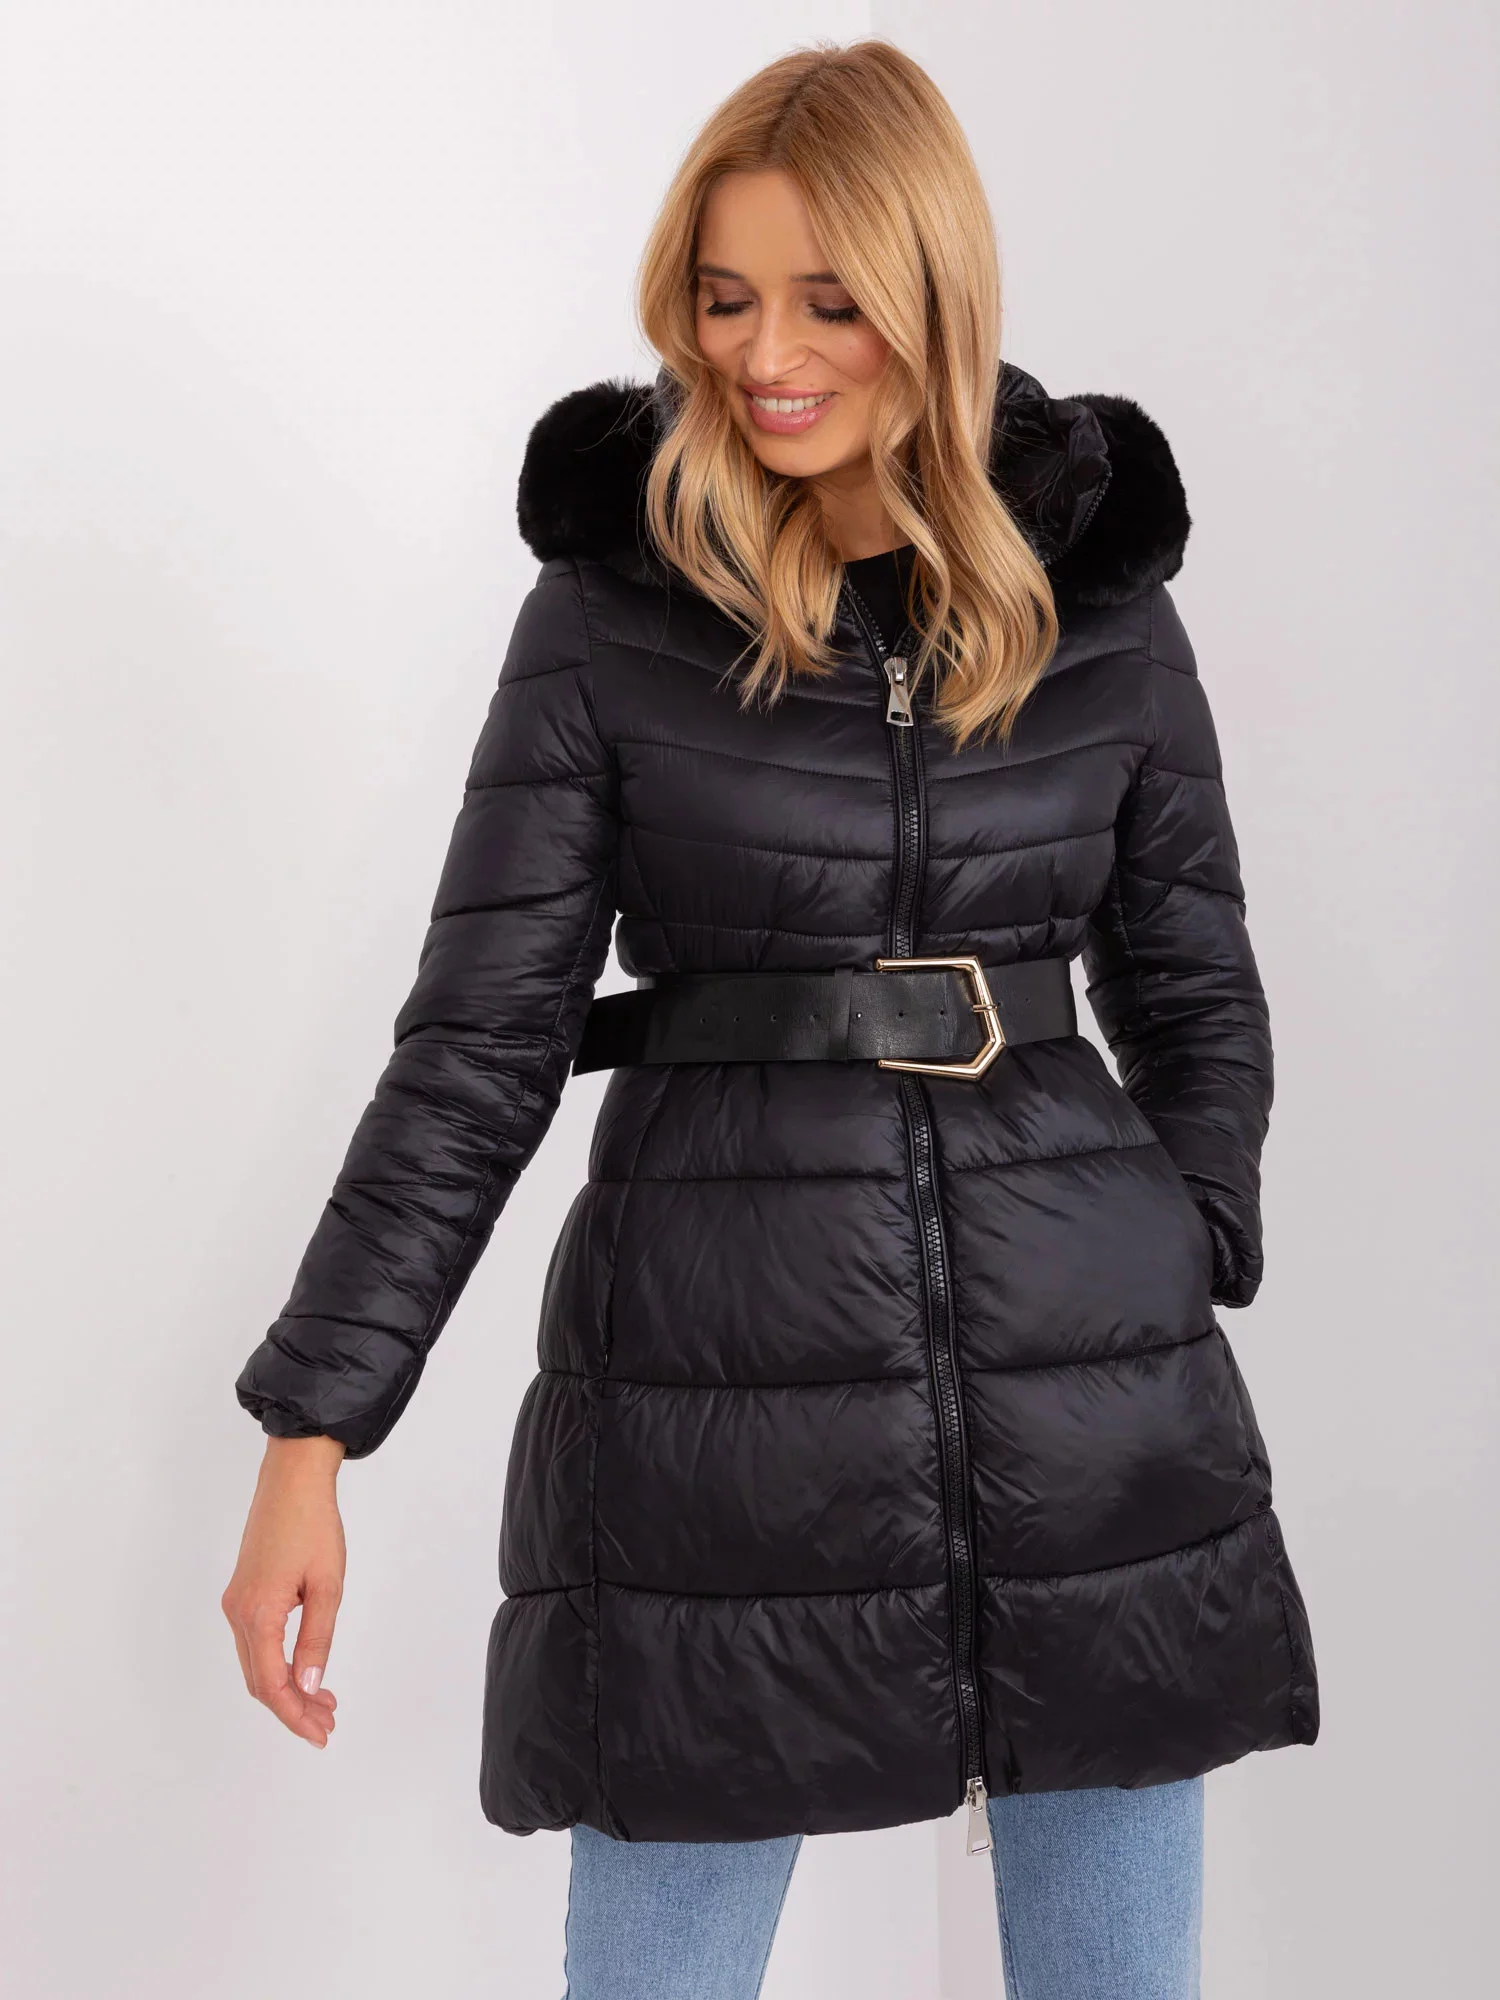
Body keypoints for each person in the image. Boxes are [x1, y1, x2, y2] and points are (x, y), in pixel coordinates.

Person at [222, 38, 1318, 2000]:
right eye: (725, 299)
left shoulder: (1100, 608)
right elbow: (475, 1048)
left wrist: (1186, 1234)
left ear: (935, 295)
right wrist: (316, 1425)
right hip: (709, 1415)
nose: (768, 356)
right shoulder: (610, 613)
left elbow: (1195, 983)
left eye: (831, 301)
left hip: (1094, 1412)